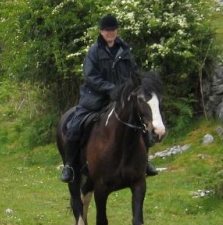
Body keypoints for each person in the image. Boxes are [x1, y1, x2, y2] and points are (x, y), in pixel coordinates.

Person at [60, 13, 158, 182]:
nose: (110, 33)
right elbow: (91, 77)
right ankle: (69, 166)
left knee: (140, 124)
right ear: (101, 31)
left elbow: (134, 73)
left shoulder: (125, 50)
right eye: (107, 30)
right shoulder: (94, 52)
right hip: (95, 98)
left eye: (113, 30)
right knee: (75, 125)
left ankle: (144, 162)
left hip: (121, 99)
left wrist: (137, 88)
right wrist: (111, 88)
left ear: (117, 31)